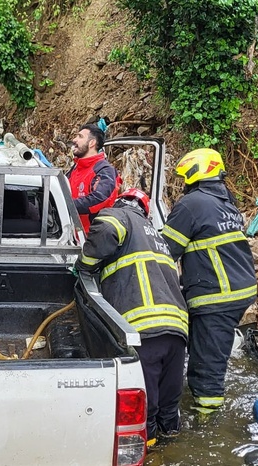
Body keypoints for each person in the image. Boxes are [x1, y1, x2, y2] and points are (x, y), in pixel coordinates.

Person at [75, 188, 189, 447]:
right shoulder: (158, 238)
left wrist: (84, 266)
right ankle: (173, 448)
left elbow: (104, 231)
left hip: (144, 331)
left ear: (121, 202)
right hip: (176, 331)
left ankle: (149, 452)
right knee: (170, 409)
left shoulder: (120, 216)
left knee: (143, 410)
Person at [161, 148, 257, 414]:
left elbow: (165, 250)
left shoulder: (192, 204)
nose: (183, 184)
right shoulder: (225, 201)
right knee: (207, 354)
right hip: (238, 288)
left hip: (218, 296)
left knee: (206, 369)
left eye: (184, 178)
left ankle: (208, 422)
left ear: (194, 173)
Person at [66, 123, 121, 232]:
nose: (74, 140)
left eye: (80, 137)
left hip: (94, 238)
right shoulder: (75, 168)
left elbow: (99, 199)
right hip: (72, 235)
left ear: (92, 143)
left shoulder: (105, 170)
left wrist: (65, 204)